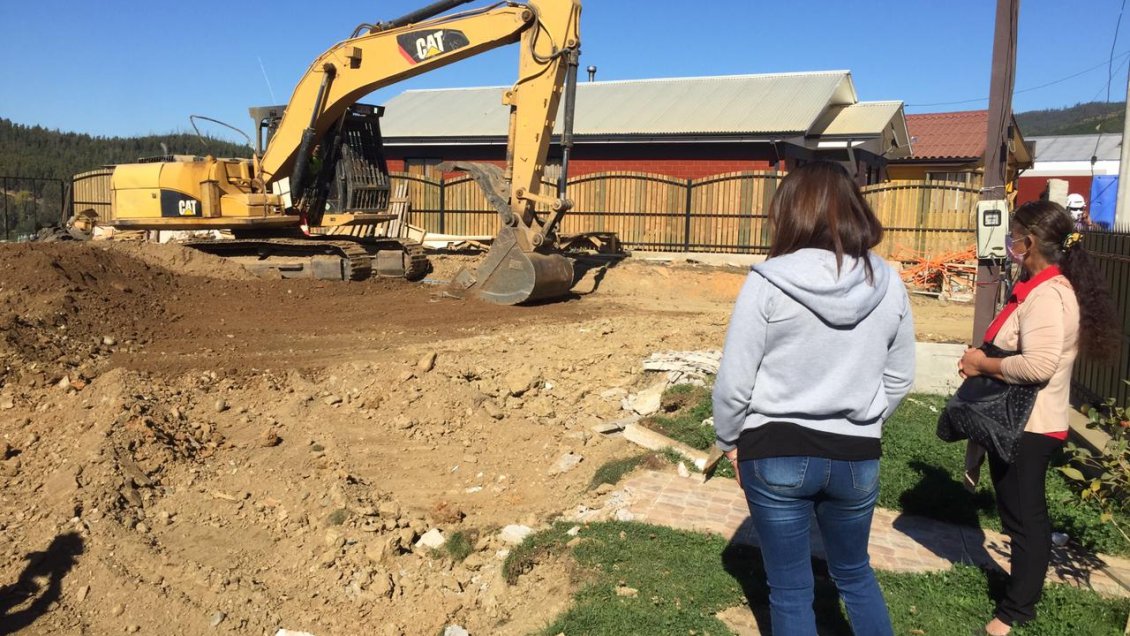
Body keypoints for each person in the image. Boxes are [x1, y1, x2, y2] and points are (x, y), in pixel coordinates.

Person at [713, 161, 916, 635]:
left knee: (789, 591)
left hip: (776, 451)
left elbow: (735, 380)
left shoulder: (767, 281)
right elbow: (900, 376)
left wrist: (729, 441)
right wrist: (863, 422)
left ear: (788, 213)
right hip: (856, 457)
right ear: (854, 209)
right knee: (856, 573)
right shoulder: (887, 283)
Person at [958, 200, 1118, 635]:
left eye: (1013, 236)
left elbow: (1038, 365)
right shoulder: (1037, 286)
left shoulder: (1049, 296)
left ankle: (1015, 612)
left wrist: (982, 365)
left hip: (1030, 426)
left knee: (1025, 518)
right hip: (1019, 423)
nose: (1009, 243)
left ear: (1029, 242)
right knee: (1019, 513)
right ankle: (1018, 596)